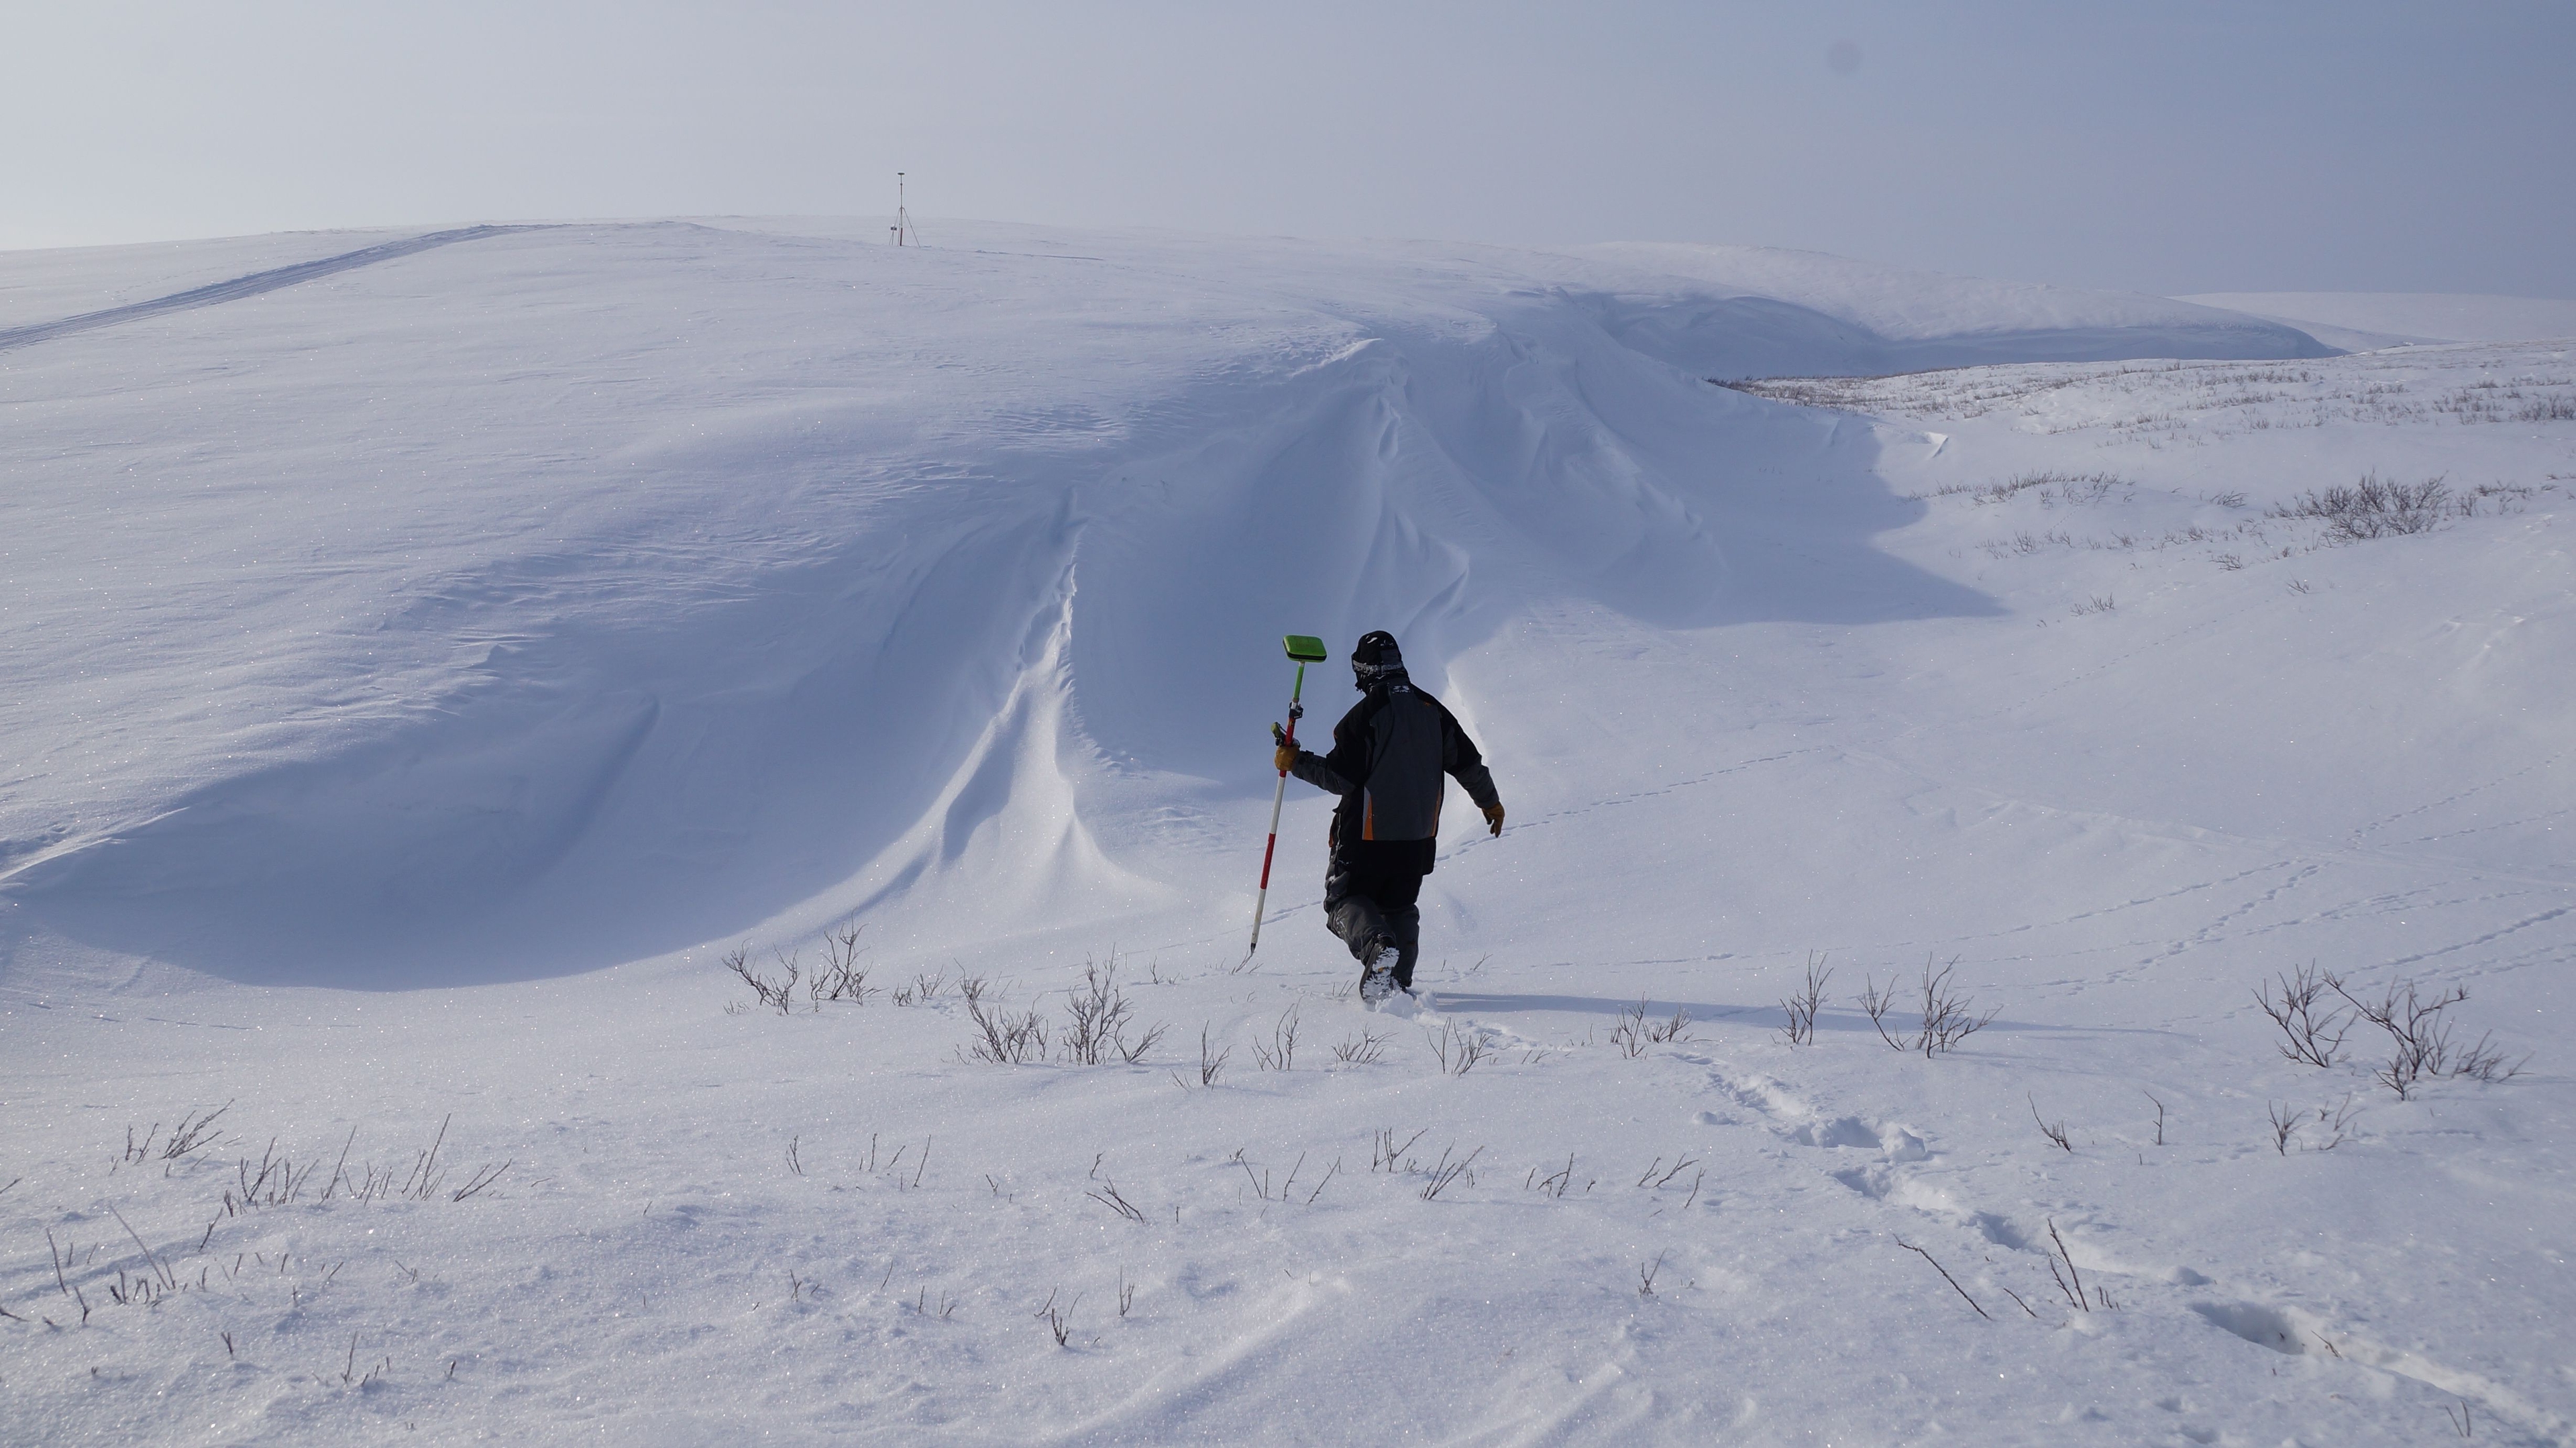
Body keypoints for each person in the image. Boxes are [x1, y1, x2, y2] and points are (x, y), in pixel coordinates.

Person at [1273, 631, 1503, 1002]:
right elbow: (1469, 765)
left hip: (1366, 840)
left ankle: (1378, 946)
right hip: (1417, 841)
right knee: (1399, 905)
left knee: (1342, 902)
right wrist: (1490, 803)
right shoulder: (1434, 711)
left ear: (1365, 671)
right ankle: (1397, 985)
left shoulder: (1364, 717)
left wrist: (1295, 761)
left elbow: (1339, 777)